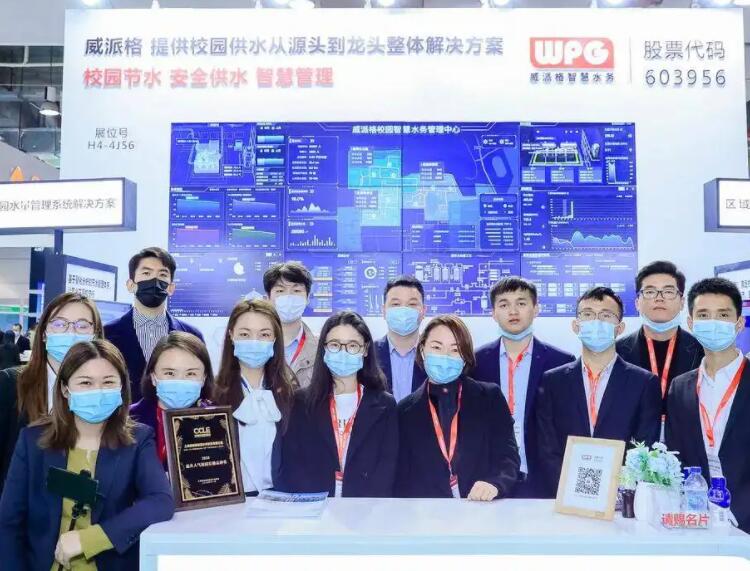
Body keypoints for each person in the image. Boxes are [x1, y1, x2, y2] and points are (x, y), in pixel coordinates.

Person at [0, 339, 174, 569]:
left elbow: (160, 501)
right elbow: (9, 522)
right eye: (85, 382)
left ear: (122, 387)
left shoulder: (138, 440)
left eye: (108, 382)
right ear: (65, 389)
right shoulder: (32, 440)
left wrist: (93, 538)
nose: (97, 391)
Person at [536, 286, 662, 497]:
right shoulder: (553, 381)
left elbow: (643, 447)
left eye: (606, 316)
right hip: (564, 496)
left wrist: (615, 491)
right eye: (588, 315)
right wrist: (569, 490)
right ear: (576, 326)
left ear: (620, 328)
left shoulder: (643, 382)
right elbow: (547, 447)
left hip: (620, 498)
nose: (596, 322)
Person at [396, 314, 520, 500]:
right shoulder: (405, 410)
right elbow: (401, 477)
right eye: (436, 347)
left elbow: (508, 456)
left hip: (481, 507)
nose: (445, 356)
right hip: (427, 512)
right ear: (422, 349)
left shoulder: (489, 398)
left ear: (465, 357)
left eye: (455, 350)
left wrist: (495, 483)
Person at [473, 277, 574, 498]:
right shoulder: (476, 363)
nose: (513, 311)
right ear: (493, 313)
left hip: (543, 479)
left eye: (521, 303)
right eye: (504, 304)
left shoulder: (561, 362)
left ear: (536, 309)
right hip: (490, 479)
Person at [277, 311, 398, 497]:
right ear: (324, 349)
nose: (343, 353)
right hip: (316, 508)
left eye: (352, 345)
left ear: (365, 350)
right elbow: (292, 465)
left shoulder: (385, 405)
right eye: (334, 345)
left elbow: (387, 469)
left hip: (366, 508)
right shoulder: (300, 403)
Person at [666, 277, 750, 532]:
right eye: (703, 315)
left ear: (739, 323)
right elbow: (676, 455)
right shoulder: (680, 386)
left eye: (723, 315)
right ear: (691, 323)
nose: (713, 322)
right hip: (697, 521)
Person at [0, 292, 104, 494]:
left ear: (96, 335)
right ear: (44, 333)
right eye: (59, 324)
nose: (70, 332)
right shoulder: (10, 385)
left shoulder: (106, 393)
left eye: (82, 325)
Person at [213, 299, 296, 496]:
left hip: (280, 501)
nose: (254, 342)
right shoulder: (212, 396)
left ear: (275, 339)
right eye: (245, 334)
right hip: (229, 503)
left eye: (264, 334)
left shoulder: (291, 396)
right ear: (231, 335)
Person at [104, 247, 204, 403]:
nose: (154, 281)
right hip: (125, 417)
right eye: (146, 273)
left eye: (162, 275)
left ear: (171, 288)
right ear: (130, 285)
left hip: (178, 416)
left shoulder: (192, 335)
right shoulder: (107, 334)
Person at [616, 261, 704, 416]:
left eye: (668, 292)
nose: (659, 298)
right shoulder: (616, 351)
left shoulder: (701, 350)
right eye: (650, 292)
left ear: (682, 302)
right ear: (637, 303)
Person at [130, 331, 214, 467]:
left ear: (204, 378)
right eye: (170, 373)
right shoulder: (127, 420)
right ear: (153, 377)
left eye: (191, 373)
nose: (180, 381)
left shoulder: (218, 422)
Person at [373, 275, 428, 402]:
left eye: (412, 304)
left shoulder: (435, 354)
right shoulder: (368, 353)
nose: (404, 310)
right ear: (384, 311)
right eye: (396, 304)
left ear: (423, 311)